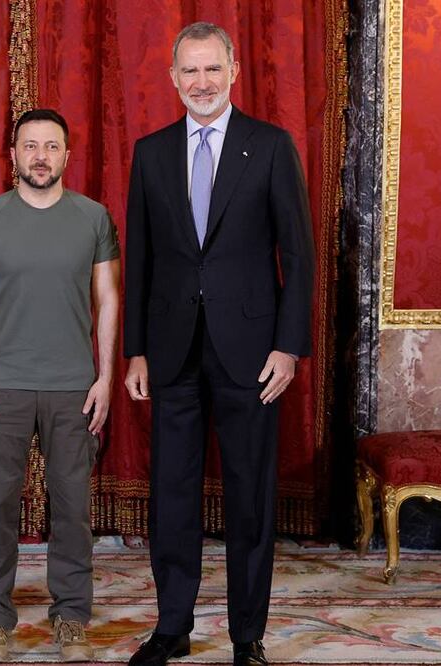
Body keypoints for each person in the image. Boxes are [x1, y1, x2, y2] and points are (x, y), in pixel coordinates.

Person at [123, 22, 315, 666]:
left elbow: (298, 255)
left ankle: (246, 636)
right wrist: (135, 349)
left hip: (253, 353)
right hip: (171, 350)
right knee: (172, 494)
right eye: (190, 71)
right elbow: (141, 259)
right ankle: (172, 627)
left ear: (233, 71)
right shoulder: (150, 153)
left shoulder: (271, 146)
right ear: (173, 78)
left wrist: (288, 346)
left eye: (212, 69)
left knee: (249, 497)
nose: (201, 82)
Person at [0, 108, 120, 663]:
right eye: (30, 146)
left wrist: (105, 378)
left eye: (51, 146)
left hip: (74, 388)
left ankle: (71, 614)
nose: (41, 156)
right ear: (14, 155)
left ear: (67, 155)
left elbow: (108, 300)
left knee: (72, 508)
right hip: (1, 388)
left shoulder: (94, 218)